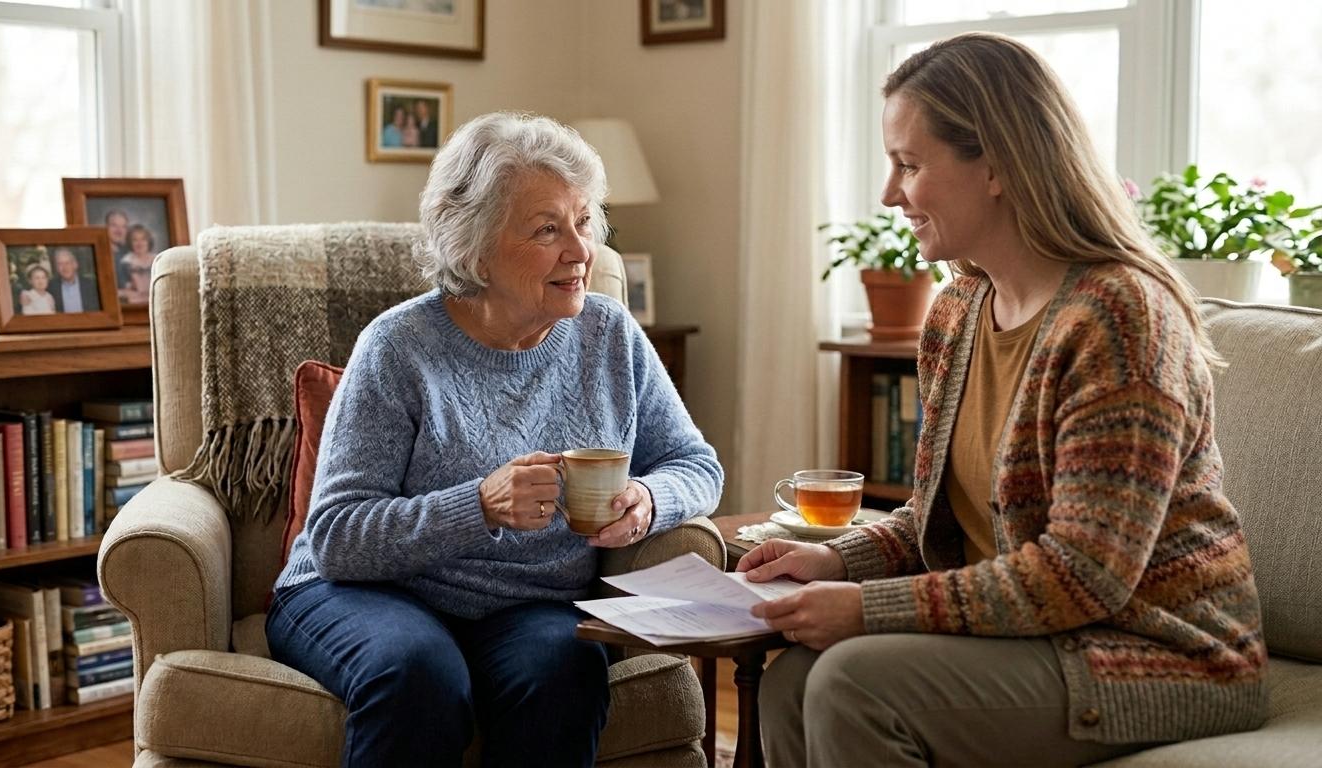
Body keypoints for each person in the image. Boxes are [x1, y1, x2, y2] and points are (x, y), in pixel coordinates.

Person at [745, 32, 1267, 767]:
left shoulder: (1119, 320)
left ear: (994, 165)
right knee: (789, 684)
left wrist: (868, 609)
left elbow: (1084, 574)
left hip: (1156, 652)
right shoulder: (958, 312)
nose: (890, 194)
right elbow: (940, 523)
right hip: (1034, 635)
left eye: (908, 165)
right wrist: (836, 564)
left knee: (850, 686)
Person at [265, 111, 724, 768]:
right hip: (368, 592)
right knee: (418, 677)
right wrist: (478, 505)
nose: (580, 250)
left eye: (584, 221)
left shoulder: (609, 335)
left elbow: (695, 463)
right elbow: (338, 537)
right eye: (547, 229)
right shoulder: (398, 348)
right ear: (474, 248)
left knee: (565, 670)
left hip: (529, 602)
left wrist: (650, 499)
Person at [47, 247, 100, 313]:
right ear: (57, 268)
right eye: (60, 264)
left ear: (75, 265)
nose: (64, 268)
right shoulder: (50, 287)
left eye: (67, 263)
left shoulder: (92, 285)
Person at [119, 225, 157, 304]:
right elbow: (125, 288)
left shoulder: (157, 260)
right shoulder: (125, 263)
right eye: (135, 240)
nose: (139, 243)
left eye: (143, 239)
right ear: (130, 243)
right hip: (135, 302)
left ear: (148, 241)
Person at [103, 209, 131, 288]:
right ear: (106, 227)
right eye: (114, 225)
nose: (119, 230)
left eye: (123, 227)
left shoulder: (129, 252)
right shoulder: (99, 253)